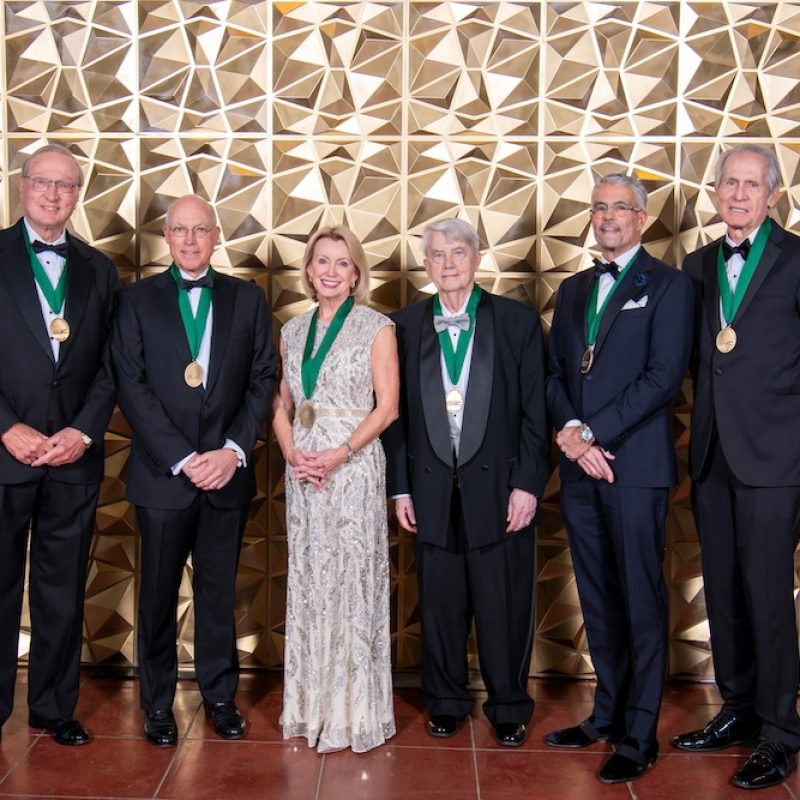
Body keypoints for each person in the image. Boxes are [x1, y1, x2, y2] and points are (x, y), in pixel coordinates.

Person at [544, 174, 693, 783]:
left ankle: (639, 733)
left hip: (633, 465)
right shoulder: (573, 288)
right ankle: (606, 713)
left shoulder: (670, 285)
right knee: (598, 595)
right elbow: (553, 374)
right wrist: (572, 434)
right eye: (599, 207)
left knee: (640, 597)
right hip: (581, 467)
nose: (608, 217)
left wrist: (592, 432)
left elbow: (663, 377)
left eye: (620, 208)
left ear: (641, 218)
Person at [111, 195, 277, 747]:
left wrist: (232, 450)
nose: (189, 240)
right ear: (166, 235)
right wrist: (183, 458)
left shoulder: (247, 298)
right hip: (164, 476)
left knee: (217, 594)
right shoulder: (135, 300)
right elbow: (130, 384)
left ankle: (220, 697)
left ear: (216, 235)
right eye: (179, 230)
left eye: (200, 229)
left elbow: (264, 377)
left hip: (227, 474)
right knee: (157, 595)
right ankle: (158, 703)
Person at [382, 219, 549, 747]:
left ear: (477, 259)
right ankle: (446, 701)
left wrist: (527, 485)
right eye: (437, 254)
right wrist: (400, 487)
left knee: (504, 603)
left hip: (500, 490)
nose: (448, 263)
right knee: (439, 602)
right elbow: (393, 416)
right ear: (425, 264)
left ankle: (508, 705)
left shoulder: (518, 322)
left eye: (458, 252)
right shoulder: (401, 326)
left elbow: (536, 412)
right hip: (430, 488)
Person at [670, 144, 800, 791]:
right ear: (716, 192)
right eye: (730, 184)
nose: (740, 195)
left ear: (773, 195)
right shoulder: (697, 266)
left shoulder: (796, 260)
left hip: (777, 458)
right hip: (713, 453)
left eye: (752, 185)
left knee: (768, 596)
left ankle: (780, 732)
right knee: (722, 590)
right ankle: (739, 708)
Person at [0, 143, 118, 745]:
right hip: (4, 453)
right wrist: (6, 426)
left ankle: (51, 707)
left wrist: (83, 430)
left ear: (78, 195)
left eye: (65, 185)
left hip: (73, 457)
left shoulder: (100, 269)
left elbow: (113, 365)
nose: (53, 194)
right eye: (42, 182)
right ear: (21, 187)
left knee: (62, 588)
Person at [274, 225, 399, 753]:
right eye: (321, 261)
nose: (330, 271)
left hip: (352, 467)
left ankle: (353, 712)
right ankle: (310, 708)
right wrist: (291, 452)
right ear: (308, 270)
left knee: (349, 581)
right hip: (303, 469)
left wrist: (340, 453)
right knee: (311, 580)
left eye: (341, 263)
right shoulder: (292, 330)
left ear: (355, 274)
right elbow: (281, 403)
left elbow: (387, 407)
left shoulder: (377, 327)